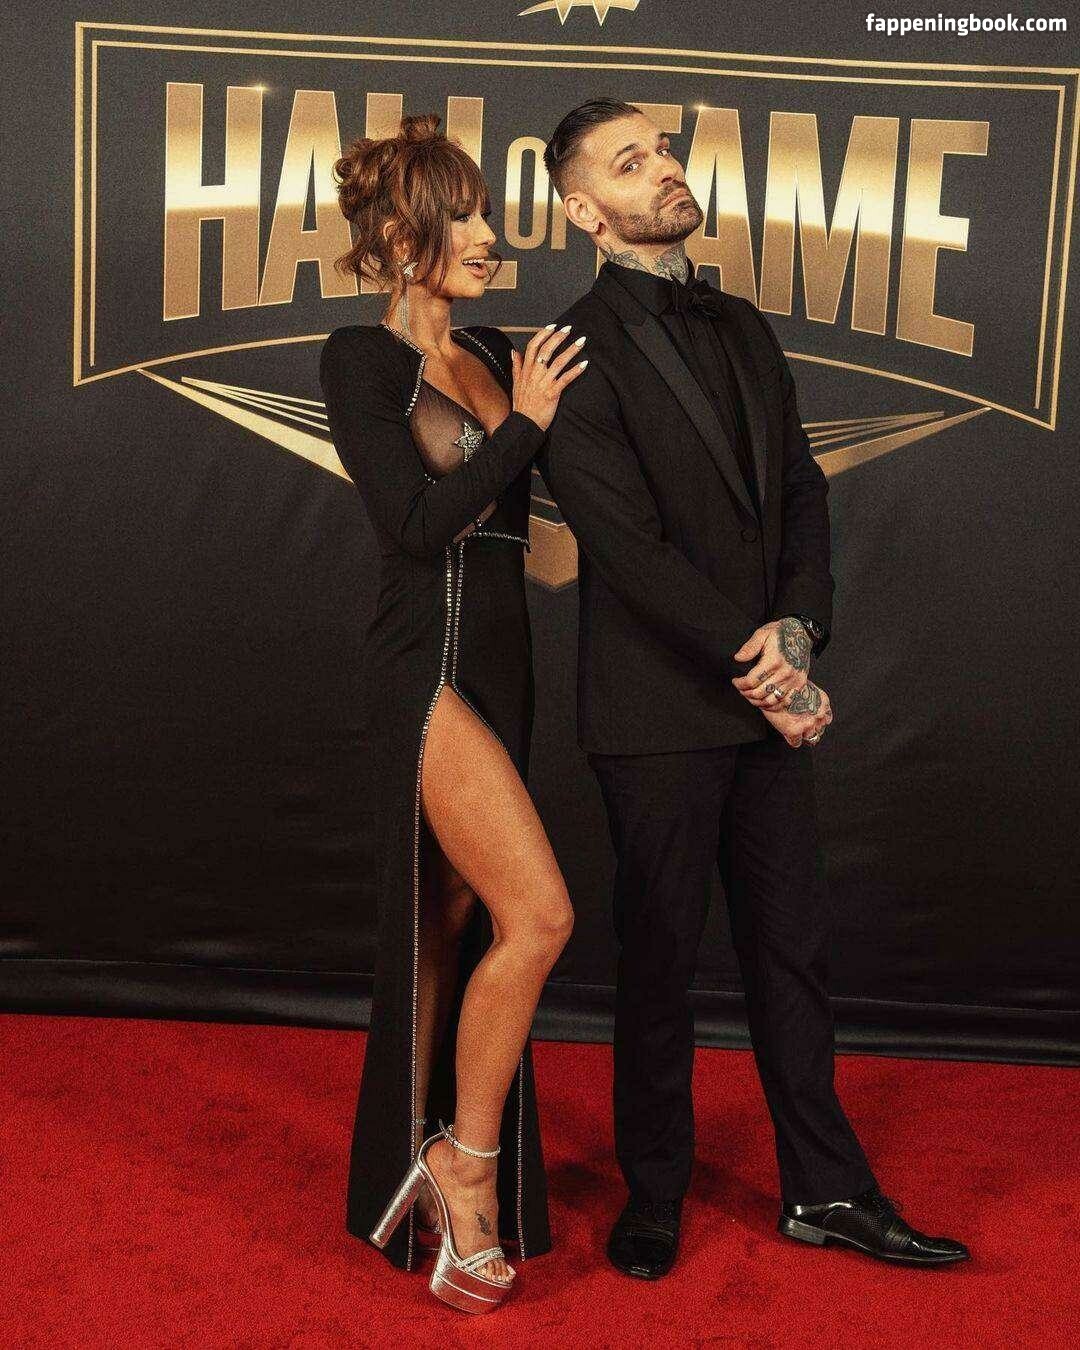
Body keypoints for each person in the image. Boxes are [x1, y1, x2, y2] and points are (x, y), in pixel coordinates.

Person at [537, 99, 971, 1278]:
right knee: (659, 964)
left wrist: (800, 630)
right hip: (654, 712)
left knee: (792, 954)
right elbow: (626, 551)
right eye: (631, 161)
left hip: (766, 689)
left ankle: (826, 1191)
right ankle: (654, 1193)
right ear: (584, 211)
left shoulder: (740, 322)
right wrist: (763, 670)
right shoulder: (570, 350)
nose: (665, 169)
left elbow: (802, 489)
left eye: (666, 149)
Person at [318, 113, 587, 1313]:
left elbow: (565, 502)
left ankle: (414, 1158)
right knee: (541, 914)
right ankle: (461, 1167)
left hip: (506, 664)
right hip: (423, 661)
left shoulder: (493, 346)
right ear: (399, 241)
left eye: (484, 215)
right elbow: (419, 525)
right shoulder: (360, 362)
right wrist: (524, 426)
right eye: (463, 219)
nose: (488, 237)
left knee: (458, 921)